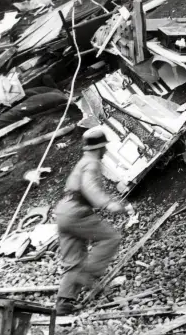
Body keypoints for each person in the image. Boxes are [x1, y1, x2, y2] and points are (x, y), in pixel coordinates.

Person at [53, 128, 129, 316]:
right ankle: (88, 276)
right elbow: (89, 187)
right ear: (100, 147)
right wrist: (108, 204)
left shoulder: (82, 162)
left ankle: (64, 303)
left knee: (73, 260)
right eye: (104, 147)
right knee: (111, 238)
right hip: (76, 212)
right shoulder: (92, 163)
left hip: (63, 211)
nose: (106, 151)